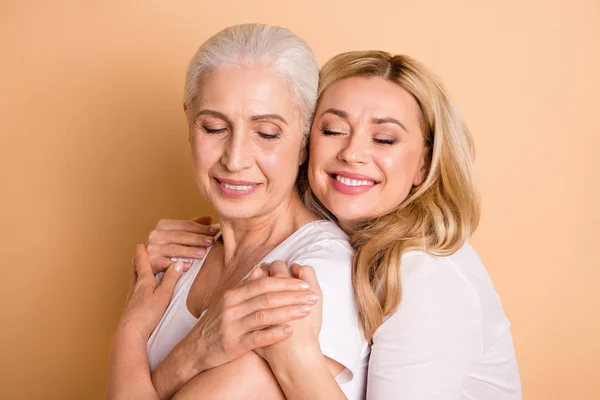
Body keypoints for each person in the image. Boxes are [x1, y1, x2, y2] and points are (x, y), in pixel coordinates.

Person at [143, 50, 522, 399]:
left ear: (424, 162)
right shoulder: (336, 240)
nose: (353, 153)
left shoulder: (425, 272)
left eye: (384, 138)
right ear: (306, 143)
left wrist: (298, 358)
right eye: (334, 130)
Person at [106, 24, 367, 400]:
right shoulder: (181, 260)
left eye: (267, 133)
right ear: (189, 121)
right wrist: (132, 326)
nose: (235, 158)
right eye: (214, 127)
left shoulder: (314, 276)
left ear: (306, 141)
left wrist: (139, 342)